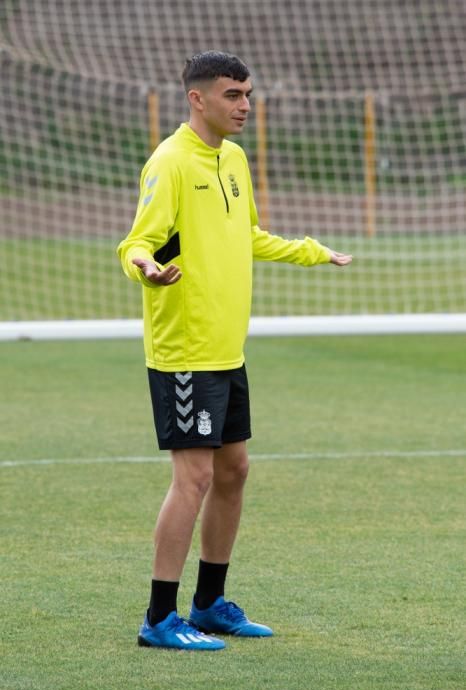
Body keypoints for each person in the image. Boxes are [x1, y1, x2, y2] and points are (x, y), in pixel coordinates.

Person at [117, 50, 352, 652]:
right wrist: (147, 268)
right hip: (185, 349)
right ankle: (159, 618)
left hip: (226, 347)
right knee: (192, 478)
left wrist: (309, 251)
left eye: (247, 94)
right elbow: (137, 242)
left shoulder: (235, 158)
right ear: (197, 99)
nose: (244, 105)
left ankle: (210, 604)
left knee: (233, 470)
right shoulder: (169, 162)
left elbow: (244, 233)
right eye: (232, 95)